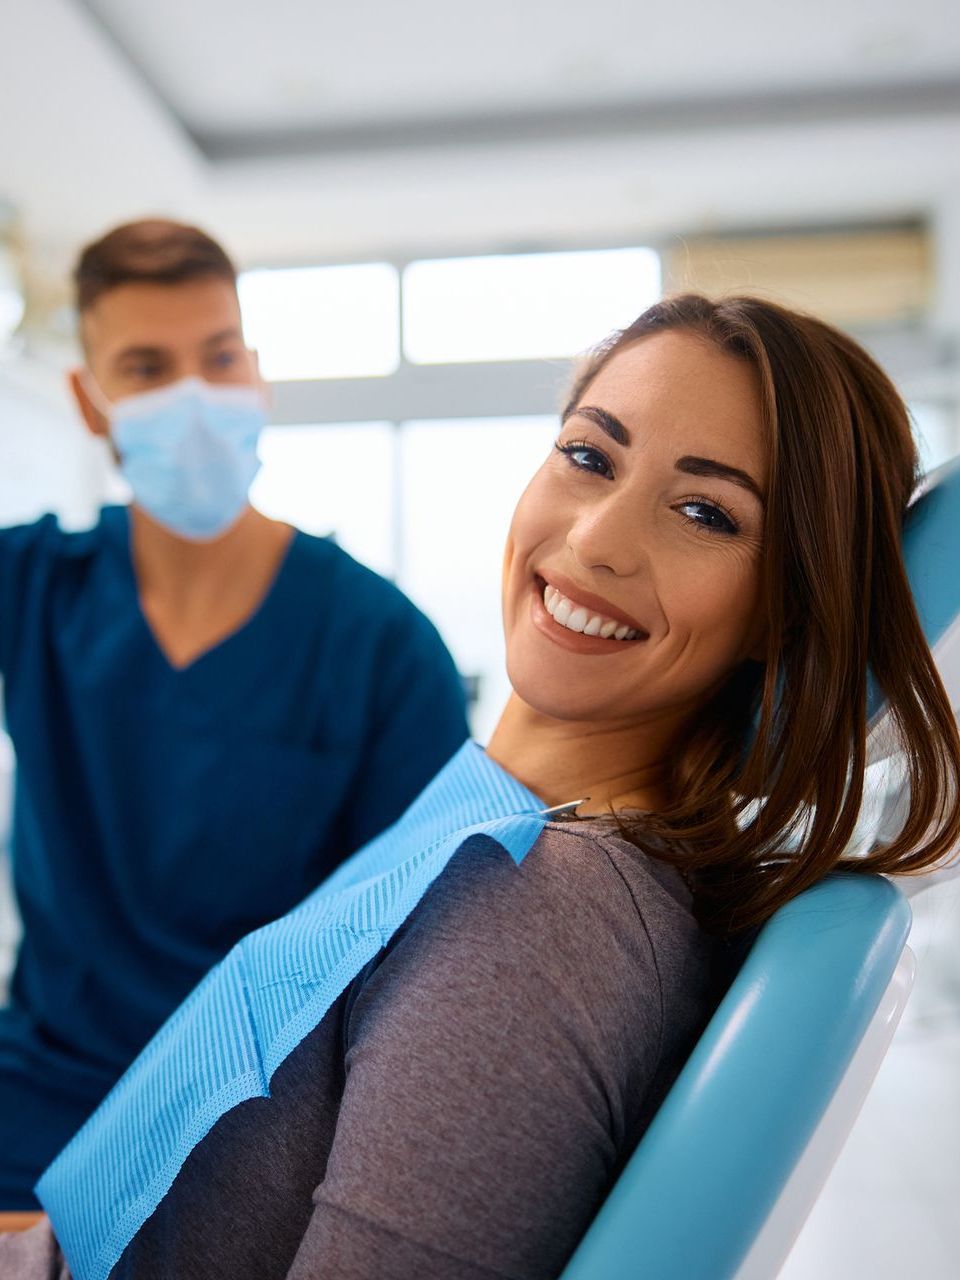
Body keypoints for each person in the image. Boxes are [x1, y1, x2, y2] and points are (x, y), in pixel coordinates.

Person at [3, 294, 958, 1279]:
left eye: (706, 511)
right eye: (591, 455)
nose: (597, 540)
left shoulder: (536, 921)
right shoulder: (512, 826)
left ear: (785, 611)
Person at [0, 219, 469, 1208]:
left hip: (248, 1138)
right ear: (92, 402)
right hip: (35, 1114)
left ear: (255, 375)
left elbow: (427, 969)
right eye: (147, 367)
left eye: (218, 359)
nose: (196, 402)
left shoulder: (379, 645)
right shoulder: (37, 591)